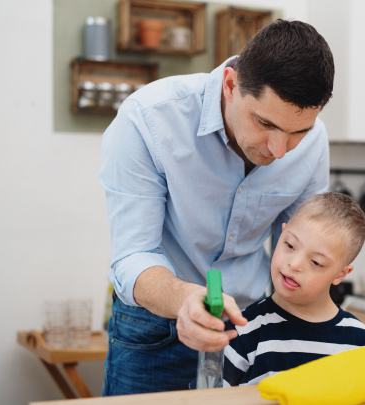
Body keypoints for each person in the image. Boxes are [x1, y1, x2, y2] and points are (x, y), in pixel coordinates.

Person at [99, 19, 334, 395]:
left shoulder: (314, 141)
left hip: (253, 327)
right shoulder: (148, 119)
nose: (279, 150)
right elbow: (133, 255)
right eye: (265, 123)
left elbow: (303, 248)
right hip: (156, 326)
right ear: (230, 85)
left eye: (298, 133)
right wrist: (186, 301)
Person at [220, 192, 365, 387]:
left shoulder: (364, 345)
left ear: (340, 275)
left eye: (316, 262)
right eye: (290, 245)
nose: (294, 264)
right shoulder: (242, 332)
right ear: (281, 234)